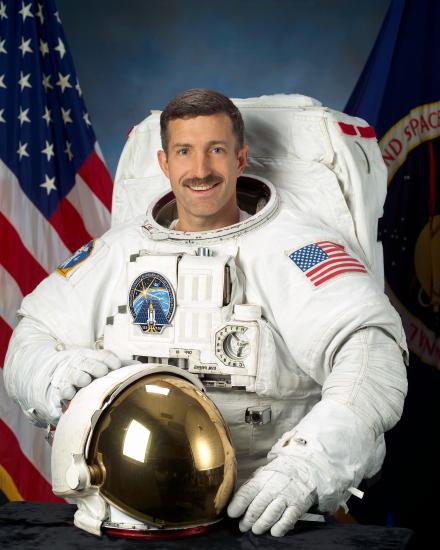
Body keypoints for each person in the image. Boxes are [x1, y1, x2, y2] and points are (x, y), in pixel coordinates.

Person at [4, 89, 408, 537]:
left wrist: (309, 463)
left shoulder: (300, 251)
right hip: (123, 517)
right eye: (184, 152)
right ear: (164, 163)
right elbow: (30, 336)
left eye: (216, 150)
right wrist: (54, 373)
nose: (200, 170)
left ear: (240, 159)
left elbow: (374, 358)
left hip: (263, 516)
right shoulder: (115, 252)